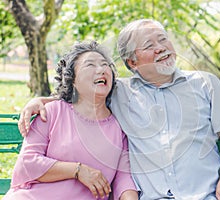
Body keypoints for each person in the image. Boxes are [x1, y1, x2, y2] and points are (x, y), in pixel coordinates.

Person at [18, 19, 220, 200]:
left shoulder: (206, 83)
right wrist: (41, 100)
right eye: (149, 45)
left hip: (205, 194)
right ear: (132, 62)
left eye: (163, 40)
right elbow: (83, 95)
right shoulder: (120, 91)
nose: (161, 48)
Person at [4, 41, 138, 200]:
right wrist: (78, 171)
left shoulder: (118, 128)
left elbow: (123, 178)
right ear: (72, 79)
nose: (101, 69)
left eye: (105, 64)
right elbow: (28, 163)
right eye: (90, 65)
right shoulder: (52, 112)